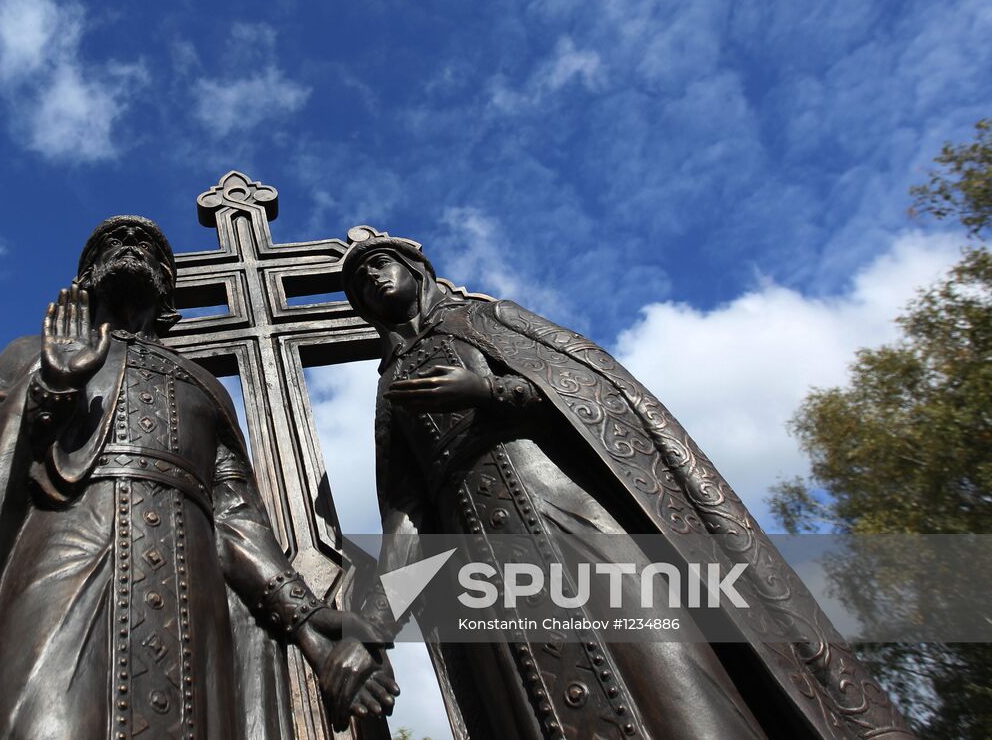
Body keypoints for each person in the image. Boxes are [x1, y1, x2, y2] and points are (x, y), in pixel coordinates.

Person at [341, 230, 913, 740]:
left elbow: (594, 388)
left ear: (418, 270)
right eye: (361, 282)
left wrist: (489, 391)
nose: (372, 279)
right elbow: (405, 513)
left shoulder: (487, 318)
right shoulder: (392, 383)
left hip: (570, 512)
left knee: (672, 677)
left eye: (380, 264)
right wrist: (376, 622)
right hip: (484, 558)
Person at [0, 215, 396, 740]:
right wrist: (50, 391)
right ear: (83, 278)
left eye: (147, 245)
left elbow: (237, 517)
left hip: (188, 594)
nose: (130, 243)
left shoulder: (204, 386)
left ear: (169, 286)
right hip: (61, 573)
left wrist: (306, 618)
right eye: (112, 240)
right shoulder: (30, 354)